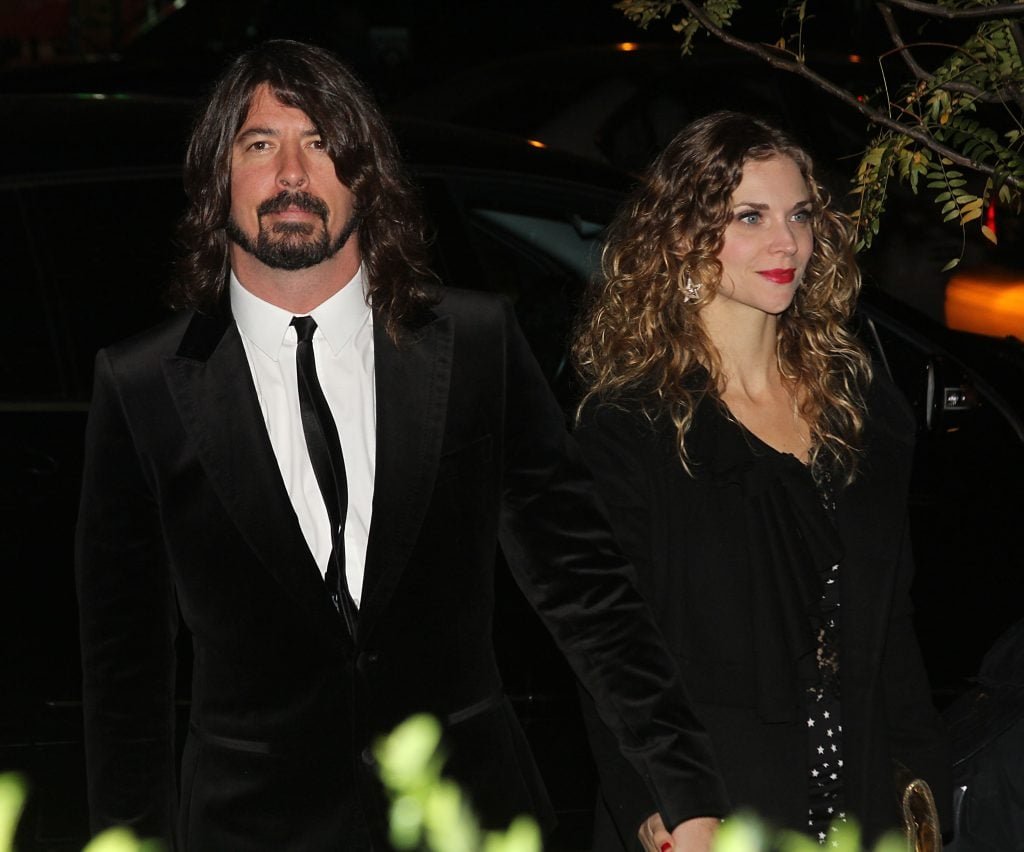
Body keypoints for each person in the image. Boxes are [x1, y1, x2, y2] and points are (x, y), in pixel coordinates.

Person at [74, 40, 728, 852]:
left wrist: (686, 787)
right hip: (250, 831)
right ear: (218, 178)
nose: (291, 173)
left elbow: (586, 587)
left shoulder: (476, 345)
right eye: (259, 144)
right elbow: (123, 680)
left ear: (368, 175)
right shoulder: (142, 387)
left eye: (321, 143)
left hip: (467, 819)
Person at [571, 111, 951, 848]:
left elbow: (891, 627)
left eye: (800, 216)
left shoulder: (859, 407)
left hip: (862, 800)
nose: (787, 243)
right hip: (716, 808)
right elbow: (612, 652)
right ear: (683, 236)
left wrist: (919, 782)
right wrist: (664, 800)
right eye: (751, 216)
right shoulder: (632, 428)